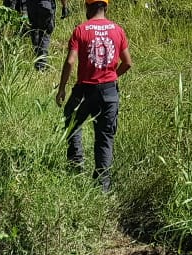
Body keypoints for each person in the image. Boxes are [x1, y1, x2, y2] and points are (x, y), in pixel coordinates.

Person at [56, 0, 131, 190]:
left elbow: (71, 61)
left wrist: (62, 87)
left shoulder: (81, 30)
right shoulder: (118, 30)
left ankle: (76, 165)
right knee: (104, 137)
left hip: (85, 90)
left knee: (72, 120)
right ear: (106, 7)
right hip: (109, 91)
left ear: (87, 7)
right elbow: (128, 63)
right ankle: (103, 187)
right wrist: (113, 76)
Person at [26, 0, 56, 71]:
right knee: (45, 33)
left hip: (31, 4)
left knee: (35, 30)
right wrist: (65, 6)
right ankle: (41, 65)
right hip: (45, 5)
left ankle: (37, 59)